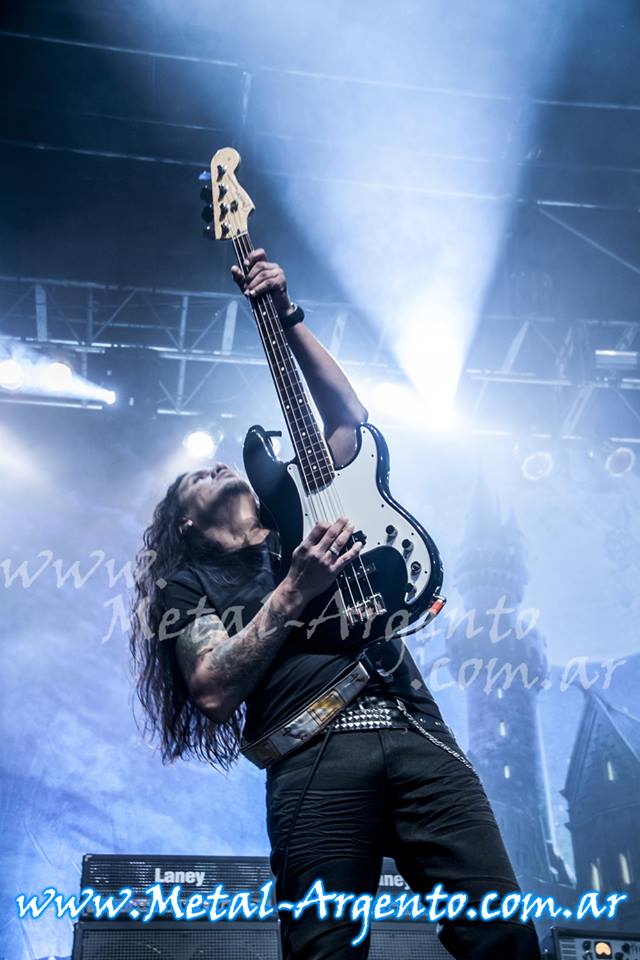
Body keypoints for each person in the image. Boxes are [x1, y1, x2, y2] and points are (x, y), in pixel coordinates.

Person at [130, 248, 542, 959]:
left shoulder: (302, 507)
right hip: (312, 753)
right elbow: (212, 689)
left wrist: (285, 314)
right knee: (325, 951)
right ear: (187, 523)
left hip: (415, 729)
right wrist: (295, 590)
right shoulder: (190, 585)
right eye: (197, 476)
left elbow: (349, 416)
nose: (218, 464)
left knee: (503, 936)